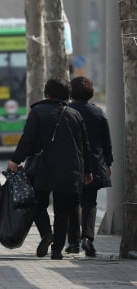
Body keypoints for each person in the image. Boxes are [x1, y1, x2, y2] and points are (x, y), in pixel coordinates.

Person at [8, 77, 93, 260]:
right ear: (67, 95)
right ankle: (57, 251)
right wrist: (88, 171)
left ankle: (46, 233)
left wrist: (16, 160)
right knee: (63, 211)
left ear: (46, 94)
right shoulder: (75, 115)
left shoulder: (38, 112)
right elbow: (85, 145)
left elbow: (27, 140)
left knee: (37, 205)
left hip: (43, 169)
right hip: (70, 170)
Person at [65, 76, 113, 257]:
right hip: (94, 164)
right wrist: (108, 163)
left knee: (72, 202)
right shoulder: (98, 113)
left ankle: (73, 243)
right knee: (90, 203)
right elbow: (106, 143)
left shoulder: (66, 111)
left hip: (72, 165)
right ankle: (88, 237)